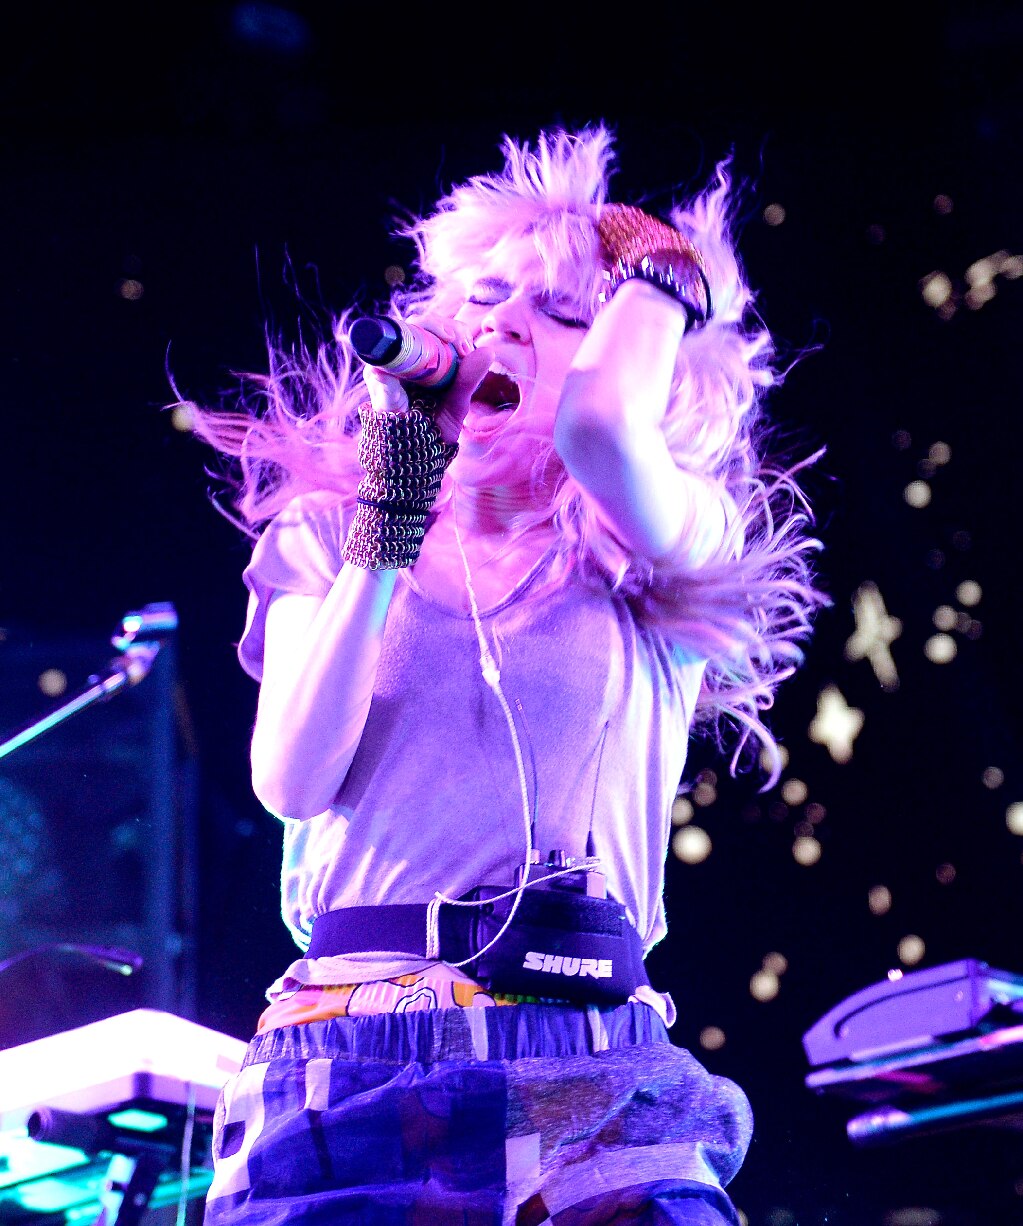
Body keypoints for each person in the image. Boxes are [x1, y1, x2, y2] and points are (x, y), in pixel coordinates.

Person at [180, 121, 825, 1225]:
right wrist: (392, 514)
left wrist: (668, 270)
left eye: (559, 310)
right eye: (481, 297)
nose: (500, 324)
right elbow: (290, 776)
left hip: (591, 1052)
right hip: (351, 1041)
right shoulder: (329, 536)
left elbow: (601, 427)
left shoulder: (667, 550)